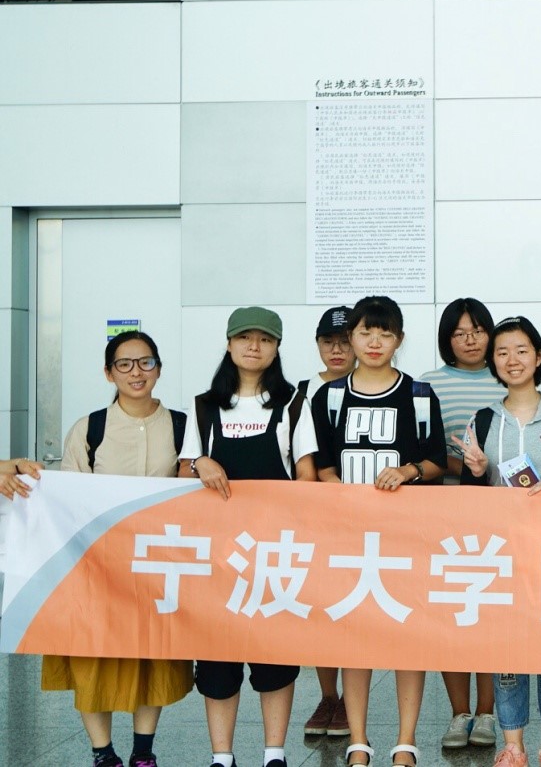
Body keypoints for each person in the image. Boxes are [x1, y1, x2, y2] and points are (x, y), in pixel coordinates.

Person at [19, 332, 192, 767]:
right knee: (92, 656)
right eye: (124, 364)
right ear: (108, 373)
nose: (136, 372)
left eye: (145, 362)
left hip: (156, 562)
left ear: (159, 368)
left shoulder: (183, 426)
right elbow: (65, 496)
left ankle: (143, 752)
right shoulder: (89, 428)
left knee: (152, 657)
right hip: (97, 565)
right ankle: (103, 752)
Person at [311, 296, 448, 767]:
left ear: (399, 340)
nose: (374, 342)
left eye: (385, 334)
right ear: (351, 337)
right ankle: (358, 741)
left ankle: (406, 741)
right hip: (348, 538)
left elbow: (436, 461)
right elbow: (321, 466)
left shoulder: (419, 396)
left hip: (407, 538)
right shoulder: (329, 397)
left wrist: (408, 471)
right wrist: (348, 498)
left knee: (408, 634)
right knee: (355, 636)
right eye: (365, 332)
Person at [179, 307, 319, 767]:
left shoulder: (293, 404)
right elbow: (183, 472)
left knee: (274, 657)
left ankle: (274, 753)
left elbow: (306, 475)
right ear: (229, 344)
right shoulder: (204, 406)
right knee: (217, 659)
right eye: (244, 337)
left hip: (274, 551)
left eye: (265, 339)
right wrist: (200, 464)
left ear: (277, 348)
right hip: (218, 554)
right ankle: (222, 756)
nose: (253, 346)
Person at [453, 315, 541, 767]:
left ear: (538, 356)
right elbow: (470, 500)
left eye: (521, 350)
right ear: (493, 362)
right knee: (508, 650)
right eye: (502, 352)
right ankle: (512, 744)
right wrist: (477, 472)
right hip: (503, 552)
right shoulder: (482, 421)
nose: (512, 360)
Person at [419, 297, 499, 749]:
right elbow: (423, 449)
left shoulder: (505, 375)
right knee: (450, 612)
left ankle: (486, 713)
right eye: (459, 333)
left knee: (488, 611)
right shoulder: (428, 384)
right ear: (447, 339)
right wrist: (463, 465)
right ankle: (458, 713)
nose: (470, 340)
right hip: (445, 512)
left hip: (496, 513)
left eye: (478, 330)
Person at [300, 306, 357, 738]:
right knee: (323, 607)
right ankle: (327, 696)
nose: (336, 350)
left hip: (366, 517)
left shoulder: (378, 386)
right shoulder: (301, 393)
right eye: (328, 341)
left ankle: (353, 702)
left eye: (344, 341)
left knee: (355, 604)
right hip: (318, 517)